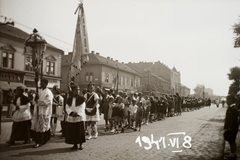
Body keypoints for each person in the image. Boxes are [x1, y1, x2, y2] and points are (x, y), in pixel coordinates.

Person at [31, 79, 53, 148]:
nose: (41, 85)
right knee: (38, 125)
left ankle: (40, 141)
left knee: (42, 126)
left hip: (44, 112)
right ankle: (41, 140)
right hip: (37, 111)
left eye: (43, 83)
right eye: (41, 83)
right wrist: (35, 99)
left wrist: (38, 102)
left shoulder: (48, 92)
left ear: (46, 84)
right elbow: (34, 101)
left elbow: (48, 102)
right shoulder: (39, 91)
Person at [65, 85, 86, 150]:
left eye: (79, 90)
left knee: (80, 131)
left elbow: (82, 107)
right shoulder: (69, 99)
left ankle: (81, 144)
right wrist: (71, 113)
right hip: (72, 117)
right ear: (73, 91)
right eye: (76, 90)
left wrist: (77, 113)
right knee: (73, 131)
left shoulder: (82, 98)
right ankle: (75, 144)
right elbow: (67, 107)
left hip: (79, 117)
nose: (78, 91)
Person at [224, 94, 239, 160]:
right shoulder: (231, 108)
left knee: (232, 141)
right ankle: (232, 153)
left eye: (227, 100)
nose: (226, 101)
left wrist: (229, 127)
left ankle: (233, 155)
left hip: (232, 128)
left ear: (231, 100)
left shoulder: (233, 109)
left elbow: (232, 120)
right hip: (230, 127)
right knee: (231, 141)